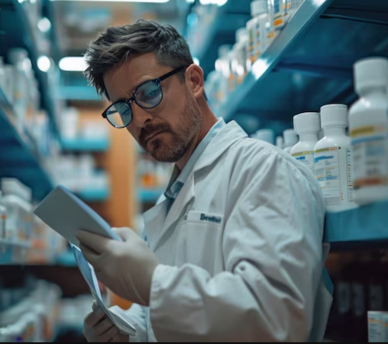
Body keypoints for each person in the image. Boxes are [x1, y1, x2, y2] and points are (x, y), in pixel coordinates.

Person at [76, 19, 332, 342]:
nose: (139, 118)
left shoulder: (264, 170)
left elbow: (277, 318)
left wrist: (154, 282)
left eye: (148, 93)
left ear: (194, 81)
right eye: (123, 109)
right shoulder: (167, 202)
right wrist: (127, 330)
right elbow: (162, 316)